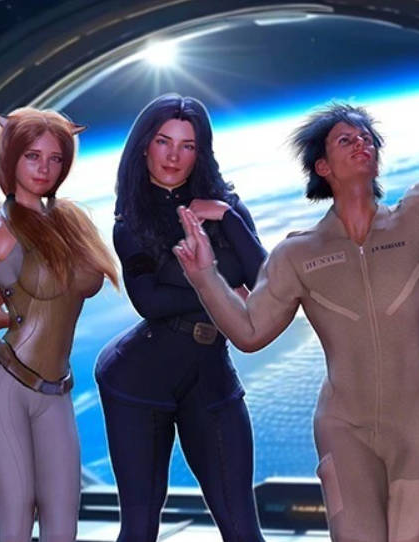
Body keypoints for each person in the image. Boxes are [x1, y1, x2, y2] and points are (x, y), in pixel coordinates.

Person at [171, 1, 419, 539]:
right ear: (322, 167)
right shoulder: (297, 254)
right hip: (343, 429)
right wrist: (205, 277)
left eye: (367, 137)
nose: (361, 143)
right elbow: (250, 332)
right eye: (346, 139)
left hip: (415, 426)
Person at [0, 108, 119, 542]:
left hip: (56, 389)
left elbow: (56, 299)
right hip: (0, 387)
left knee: (63, 519)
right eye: (33, 156)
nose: (44, 169)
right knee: (16, 519)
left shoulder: (73, 223)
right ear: (11, 158)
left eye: (55, 158)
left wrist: (8, 315)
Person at [96, 94, 267, 541]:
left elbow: (266, 284)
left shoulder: (226, 207)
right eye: (163, 141)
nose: (174, 156)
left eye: (187, 145)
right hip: (137, 382)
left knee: (242, 527)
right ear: (144, 147)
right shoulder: (131, 221)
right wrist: (218, 285)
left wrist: (227, 218)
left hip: (211, 375)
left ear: (200, 151)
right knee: (140, 527)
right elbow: (149, 302)